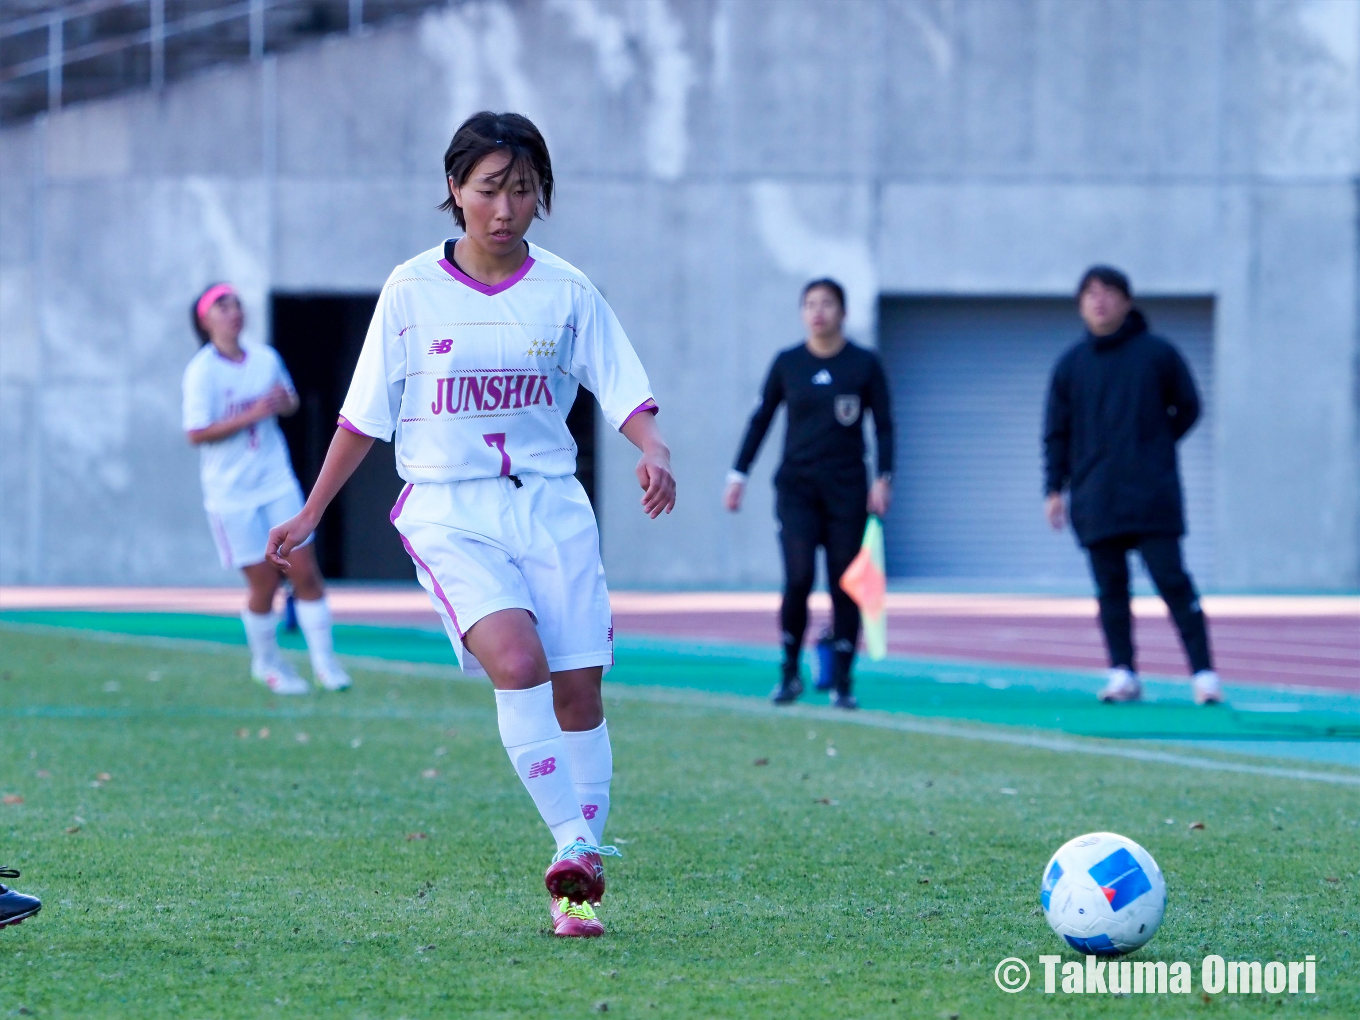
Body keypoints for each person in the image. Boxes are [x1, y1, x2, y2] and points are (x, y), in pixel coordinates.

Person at [265, 111, 675, 939]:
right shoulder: (409, 289)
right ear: (454, 190)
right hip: (451, 508)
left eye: (523, 190)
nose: (506, 207)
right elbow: (362, 416)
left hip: (551, 502)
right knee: (518, 663)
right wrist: (312, 509)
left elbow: (621, 383)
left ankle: (577, 882)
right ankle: (574, 845)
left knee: (580, 690)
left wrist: (653, 447)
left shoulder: (567, 288)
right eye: (490, 188)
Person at [1043, 265, 1222, 705]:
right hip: (1094, 495)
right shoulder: (1070, 365)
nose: (1099, 301)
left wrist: (1156, 443)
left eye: (1108, 292)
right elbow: (1056, 431)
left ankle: (1204, 675)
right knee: (1111, 590)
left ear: (1127, 300)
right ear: (1080, 304)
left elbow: (1189, 406)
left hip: (1151, 495)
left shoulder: (1157, 354)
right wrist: (1054, 488)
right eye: (1089, 293)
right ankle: (1122, 672)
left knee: (1172, 582)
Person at [724, 279, 894, 709]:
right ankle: (788, 672)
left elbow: (885, 424)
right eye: (810, 304)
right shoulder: (788, 363)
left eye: (827, 304)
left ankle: (843, 681)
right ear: (803, 313)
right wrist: (738, 474)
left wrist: (884, 477)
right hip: (797, 487)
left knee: (843, 584)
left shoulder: (864, 364)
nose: (818, 311)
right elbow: (762, 418)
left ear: (843, 312)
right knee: (798, 578)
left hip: (847, 489)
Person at [182, 283, 352, 695]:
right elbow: (197, 432)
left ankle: (325, 665)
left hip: (275, 480)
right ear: (206, 319)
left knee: (305, 573)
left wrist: (281, 402)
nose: (234, 311)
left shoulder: (265, 358)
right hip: (231, 493)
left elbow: (289, 402)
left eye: (237, 303)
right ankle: (267, 663)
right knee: (265, 584)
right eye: (223, 306)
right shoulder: (202, 371)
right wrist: (253, 413)